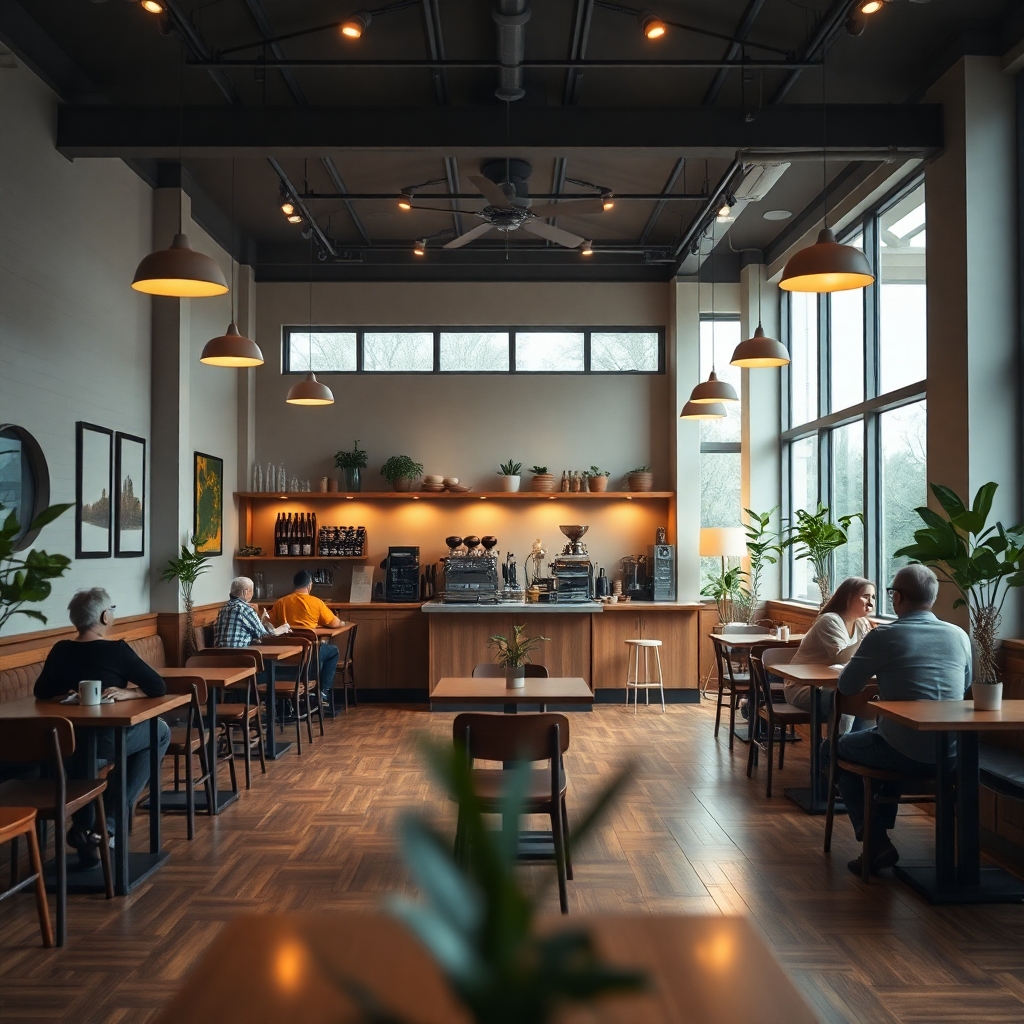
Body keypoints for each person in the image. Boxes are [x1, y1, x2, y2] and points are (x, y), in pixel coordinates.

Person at [828, 564, 972, 877]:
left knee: (834, 747)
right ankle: (881, 834)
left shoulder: (885, 635)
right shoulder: (959, 636)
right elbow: (963, 687)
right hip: (952, 753)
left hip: (902, 751)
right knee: (882, 738)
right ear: (932, 599)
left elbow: (847, 686)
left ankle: (876, 841)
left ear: (899, 597)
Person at [34, 588, 171, 866]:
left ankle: (84, 827)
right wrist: (131, 693)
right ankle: (107, 824)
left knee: (86, 753)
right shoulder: (116, 650)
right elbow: (157, 686)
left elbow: (41, 691)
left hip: (61, 743)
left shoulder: (61, 649)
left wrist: (67, 694)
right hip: (107, 739)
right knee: (160, 732)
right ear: (105, 616)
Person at [785, 577, 876, 727]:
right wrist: (867, 640)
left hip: (833, 686)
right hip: (804, 687)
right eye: (865, 597)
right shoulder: (830, 620)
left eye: (873, 597)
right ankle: (836, 747)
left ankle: (856, 745)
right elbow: (839, 658)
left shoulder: (862, 623)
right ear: (848, 597)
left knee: (872, 697)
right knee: (848, 698)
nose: (871, 603)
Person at [270, 570, 342, 701]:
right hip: (309, 652)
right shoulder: (316, 602)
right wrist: (341, 621)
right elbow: (334, 623)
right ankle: (323, 692)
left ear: (294, 585)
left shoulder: (280, 602)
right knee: (333, 651)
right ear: (310, 585)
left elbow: (270, 625)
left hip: (286, 653)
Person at [214, 576, 282, 647]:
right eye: (251, 591)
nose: (252, 594)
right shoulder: (245, 609)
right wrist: (262, 617)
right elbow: (265, 635)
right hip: (240, 655)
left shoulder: (223, 609)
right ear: (246, 592)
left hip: (218, 655)